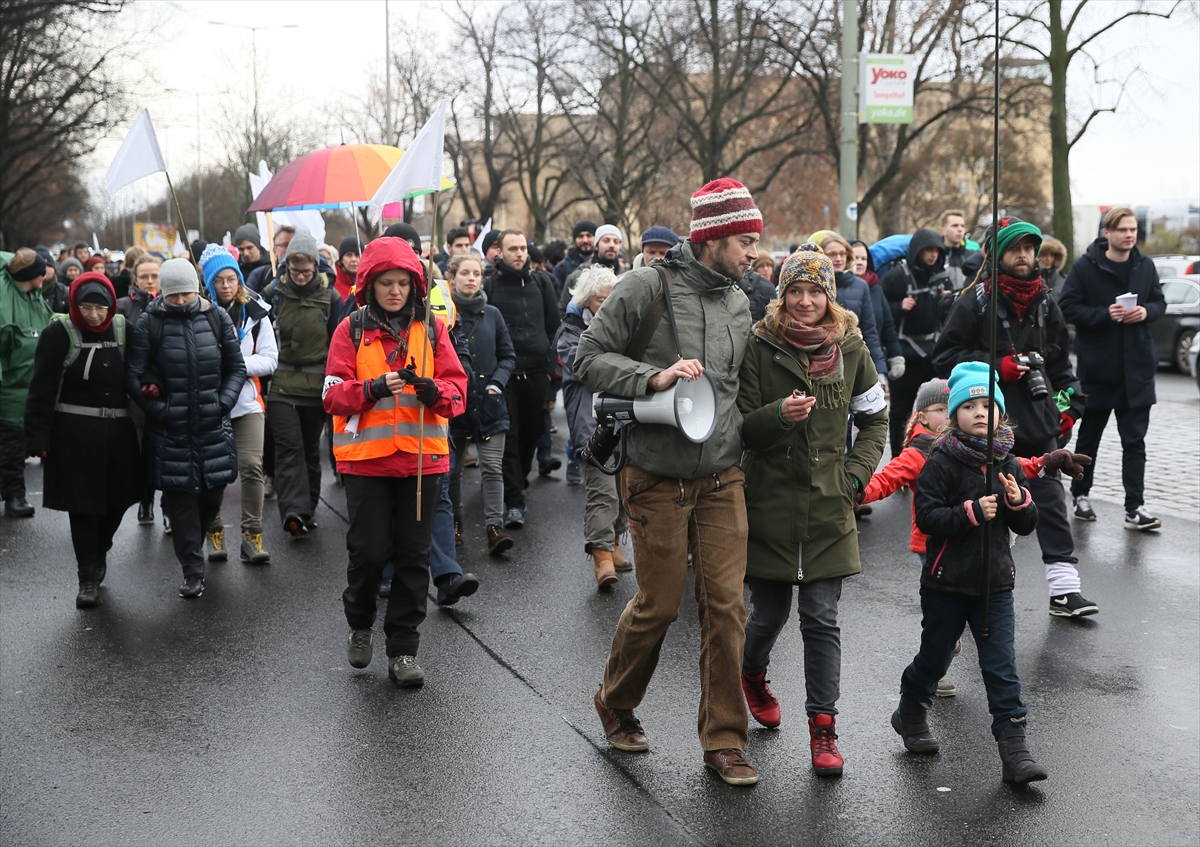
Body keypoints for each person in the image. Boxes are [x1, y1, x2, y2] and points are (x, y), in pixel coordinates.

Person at [575, 177, 761, 787]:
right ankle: (615, 699)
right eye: (743, 240)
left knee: (727, 608)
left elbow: (734, 392)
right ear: (710, 240)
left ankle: (724, 740)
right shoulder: (644, 285)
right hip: (654, 476)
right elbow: (587, 357)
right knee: (659, 607)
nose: (753, 252)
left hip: (721, 477)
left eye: (755, 240)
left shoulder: (740, 299)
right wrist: (651, 379)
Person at [736, 246, 888, 776]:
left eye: (815, 291)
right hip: (770, 503)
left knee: (821, 618)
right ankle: (751, 674)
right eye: (795, 291)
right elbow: (741, 428)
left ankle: (823, 730)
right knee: (770, 613)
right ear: (782, 295)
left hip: (829, 505)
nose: (804, 302)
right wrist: (779, 415)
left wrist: (855, 475)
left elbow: (875, 421)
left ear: (830, 296)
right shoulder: (760, 345)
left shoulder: (851, 347)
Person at [934, 219, 1097, 618]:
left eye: (1030, 247)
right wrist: (995, 367)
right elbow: (943, 359)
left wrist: (1068, 409)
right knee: (984, 509)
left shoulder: (1046, 301)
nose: (1024, 255)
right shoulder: (975, 300)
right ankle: (973, 589)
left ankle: (1064, 590)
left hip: (1039, 424)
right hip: (984, 424)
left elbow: (1061, 366)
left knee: (1051, 504)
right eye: (1015, 248)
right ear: (998, 255)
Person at [893, 361, 1047, 786]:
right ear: (955, 414)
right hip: (946, 583)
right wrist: (971, 512)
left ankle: (1015, 751)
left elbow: (1026, 524)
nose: (980, 413)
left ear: (1000, 415)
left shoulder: (1008, 463)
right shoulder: (940, 460)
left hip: (995, 584)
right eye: (970, 406)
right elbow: (927, 517)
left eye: (988, 405)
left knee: (1001, 667)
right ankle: (910, 708)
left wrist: (1019, 503)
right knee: (936, 657)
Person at [324, 236, 467, 687]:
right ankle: (361, 624)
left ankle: (403, 649)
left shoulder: (433, 329)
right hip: (366, 462)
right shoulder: (350, 329)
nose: (394, 291)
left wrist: (434, 391)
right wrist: (372, 389)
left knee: (413, 558)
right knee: (367, 555)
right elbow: (331, 393)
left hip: (422, 464)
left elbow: (457, 391)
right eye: (385, 283)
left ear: (415, 285)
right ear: (370, 285)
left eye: (402, 283)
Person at [125, 258, 246, 598]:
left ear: (197, 290)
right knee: (181, 505)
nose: (180, 301)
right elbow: (133, 377)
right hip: (170, 431)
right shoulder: (151, 322)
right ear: (163, 292)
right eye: (174, 295)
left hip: (212, 426)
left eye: (186, 294)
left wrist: (223, 403)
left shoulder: (216, 317)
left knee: (211, 498)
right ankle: (193, 571)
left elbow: (236, 368)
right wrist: (160, 410)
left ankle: (196, 549)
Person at [23, 272, 143, 607]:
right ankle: (87, 576)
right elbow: (41, 389)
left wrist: (152, 385)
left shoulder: (123, 331)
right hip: (73, 436)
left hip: (118, 434)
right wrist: (37, 437)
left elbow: (142, 370)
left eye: (100, 308)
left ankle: (99, 548)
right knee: (83, 508)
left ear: (110, 307)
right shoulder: (58, 334)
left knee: (121, 501)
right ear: (74, 304)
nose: (93, 315)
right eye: (86, 307)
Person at [1059, 207, 1167, 531]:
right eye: (1122, 230)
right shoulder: (1086, 266)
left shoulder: (1145, 265)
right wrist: (1104, 313)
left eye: (1133, 229)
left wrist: (1146, 312)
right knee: (1089, 439)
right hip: (1098, 372)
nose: (1129, 235)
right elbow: (1067, 307)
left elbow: (1160, 302)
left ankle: (1135, 507)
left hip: (1137, 372)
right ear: (1107, 232)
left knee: (1135, 443)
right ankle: (1080, 496)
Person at [261, 230, 344, 537]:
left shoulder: (331, 296)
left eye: (306, 270)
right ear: (286, 266)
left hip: (316, 383)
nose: (299, 275)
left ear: (316, 267)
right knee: (288, 447)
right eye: (294, 269)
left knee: (310, 448)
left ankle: (307, 508)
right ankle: (293, 511)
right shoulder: (274, 291)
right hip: (281, 383)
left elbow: (338, 341)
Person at [199, 244, 277, 564]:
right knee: (213, 471)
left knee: (251, 466)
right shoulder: (199, 313)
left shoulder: (257, 314)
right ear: (210, 284)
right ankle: (214, 531)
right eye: (220, 280)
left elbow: (270, 360)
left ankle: (252, 536)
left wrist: (237, 364)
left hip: (247, 405)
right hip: (211, 404)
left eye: (232, 278)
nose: (228, 286)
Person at [556, 266, 631, 589]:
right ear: (587, 300)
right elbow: (586, 367)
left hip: (625, 421)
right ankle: (600, 555)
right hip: (591, 425)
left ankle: (614, 542)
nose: (610, 304)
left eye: (614, 298)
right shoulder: (570, 332)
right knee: (603, 494)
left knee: (624, 492)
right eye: (603, 299)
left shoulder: (625, 328)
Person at [483, 229, 560, 529]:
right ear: (499, 252)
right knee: (510, 437)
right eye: (512, 248)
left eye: (523, 248)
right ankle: (514, 501)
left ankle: (519, 481)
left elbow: (554, 325)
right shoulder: (491, 284)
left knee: (531, 432)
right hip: (505, 374)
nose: (519, 253)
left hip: (537, 371)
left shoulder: (542, 282)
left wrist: (550, 363)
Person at [445, 253, 516, 556]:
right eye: (465, 273)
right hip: (456, 403)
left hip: (489, 403)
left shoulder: (494, 314)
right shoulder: (443, 314)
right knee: (452, 470)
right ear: (453, 278)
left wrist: (496, 384)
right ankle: (455, 523)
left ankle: (494, 528)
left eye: (476, 273)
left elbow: (508, 355)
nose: (472, 278)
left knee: (491, 468)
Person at [881, 228, 952, 458]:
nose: (932, 255)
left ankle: (938, 456)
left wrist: (948, 301)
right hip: (906, 354)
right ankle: (899, 458)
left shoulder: (942, 277)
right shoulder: (896, 276)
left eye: (936, 251)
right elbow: (879, 312)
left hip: (934, 354)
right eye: (927, 250)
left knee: (941, 409)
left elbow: (952, 316)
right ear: (917, 251)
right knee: (901, 412)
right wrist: (898, 307)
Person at [1, 248, 55, 517]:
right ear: (31, 275)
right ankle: (14, 497)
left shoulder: (35, 297)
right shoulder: (6, 304)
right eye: (41, 270)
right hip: (10, 393)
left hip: (32, 389)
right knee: (11, 448)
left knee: (18, 447)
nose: (46, 274)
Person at [119, 253, 165, 528]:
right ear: (135, 279)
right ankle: (145, 500)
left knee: (168, 449)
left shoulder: (172, 302)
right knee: (141, 449)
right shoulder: (123, 306)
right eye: (144, 276)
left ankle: (169, 507)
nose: (150, 281)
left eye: (154, 275)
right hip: (136, 390)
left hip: (168, 387)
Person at [816, 232, 887, 375]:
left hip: (853, 358)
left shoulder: (861, 286)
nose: (838, 258)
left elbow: (870, 330)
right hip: (821, 360)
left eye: (842, 254)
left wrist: (879, 369)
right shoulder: (814, 285)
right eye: (833, 254)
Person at [851, 238, 902, 381]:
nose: (860, 262)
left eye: (863, 258)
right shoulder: (833, 288)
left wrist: (895, 355)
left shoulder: (876, 289)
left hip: (873, 361)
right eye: (855, 258)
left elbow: (887, 326)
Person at [559, 224, 624, 316]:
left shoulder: (628, 276)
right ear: (596, 245)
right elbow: (563, 311)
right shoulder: (577, 277)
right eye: (606, 241)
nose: (612, 245)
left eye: (616, 242)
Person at [940, 209, 978, 291]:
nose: (960, 229)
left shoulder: (972, 257)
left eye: (962, 226)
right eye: (955, 225)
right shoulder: (936, 257)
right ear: (944, 231)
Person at [554, 220, 597, 290]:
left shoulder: (605, 262)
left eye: (589, 236)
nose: (585, 240)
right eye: (580, 236)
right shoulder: (562, 268)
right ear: (575, 239)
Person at [1038, 236, 1068, 301]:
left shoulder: (1065, 280)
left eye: (1052, 255)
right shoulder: (1032, 280)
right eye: (1044, 255)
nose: (1048, 258)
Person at [333, 236, 360, 304]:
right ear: (341, 260)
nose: (353, 259)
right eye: (349, 255)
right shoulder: (333, 284)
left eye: (357, 255)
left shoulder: (369, 284)